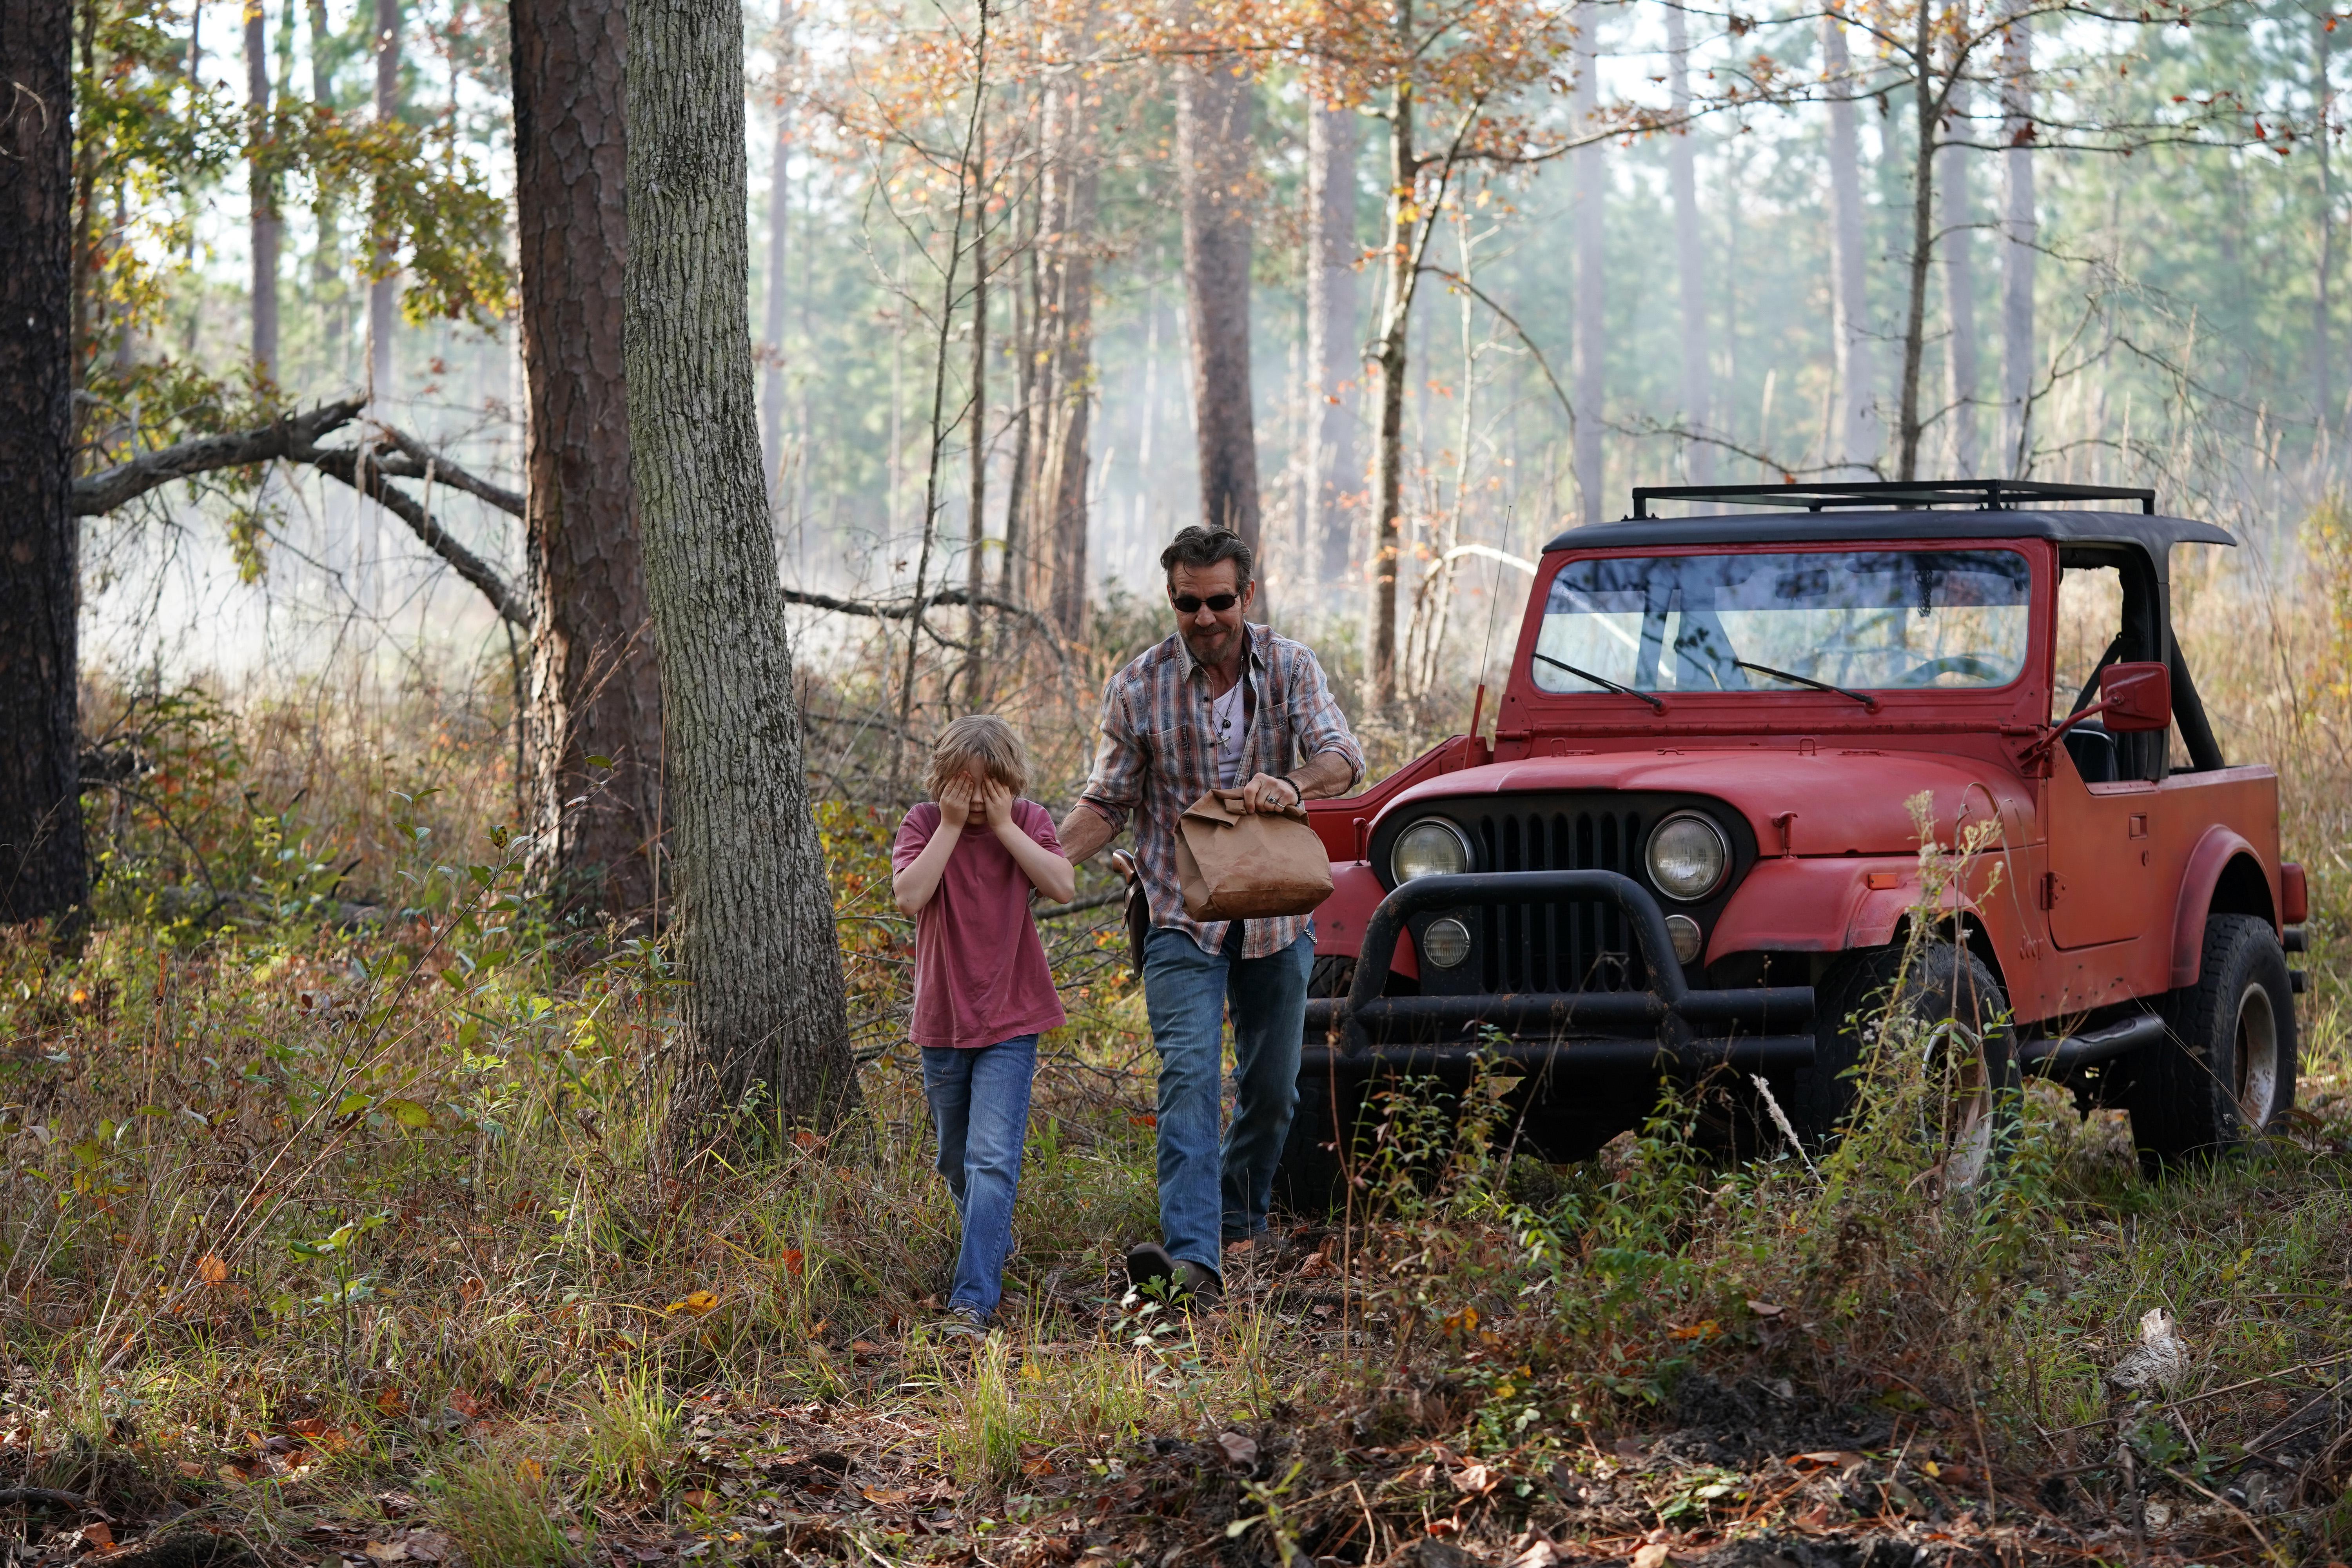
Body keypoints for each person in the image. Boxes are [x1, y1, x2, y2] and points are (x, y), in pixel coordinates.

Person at [1058, 526, 1364, 1307]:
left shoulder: (1291, 666)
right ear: (1173, 602)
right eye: (1188, 603)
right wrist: (1043, 864)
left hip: (1275, 916)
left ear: (1246, 596)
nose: (1204, 618)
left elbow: (1343, 756)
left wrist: (1292, 784)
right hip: (1178, 914)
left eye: (1219, 600)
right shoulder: (1137, 685)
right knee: (1189, 1077)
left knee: (1273, 1088)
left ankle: (1240, 1213)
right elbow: (1108, 799)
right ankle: (1195, 1260)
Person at [893, 715, 1076, 1336]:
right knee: (955, 1161)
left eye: (988, 786)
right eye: (962, 785)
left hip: (1012, 1018)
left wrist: (1003, 825)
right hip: (943, 1020)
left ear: (1010, 782)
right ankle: (992, 1239)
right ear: (941, 781)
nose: (974, 798)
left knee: (991, 1160)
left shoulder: (1027, 823)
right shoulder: (924, 823)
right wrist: (949, 825)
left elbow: (1062, 885)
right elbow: (910, 896)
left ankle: (973, 1302)